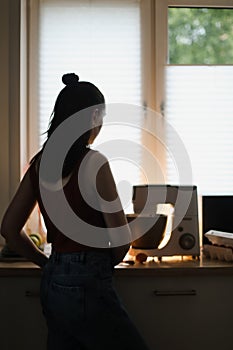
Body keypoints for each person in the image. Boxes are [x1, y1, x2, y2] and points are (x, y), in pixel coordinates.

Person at [1, 73, 149, 350]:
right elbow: (121, 242)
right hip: (89, 279)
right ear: (93, 117)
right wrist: (101, 264)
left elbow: (9, 228)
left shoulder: (39, 165)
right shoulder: (94, 163)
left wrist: (46, 264)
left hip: (54, 278)